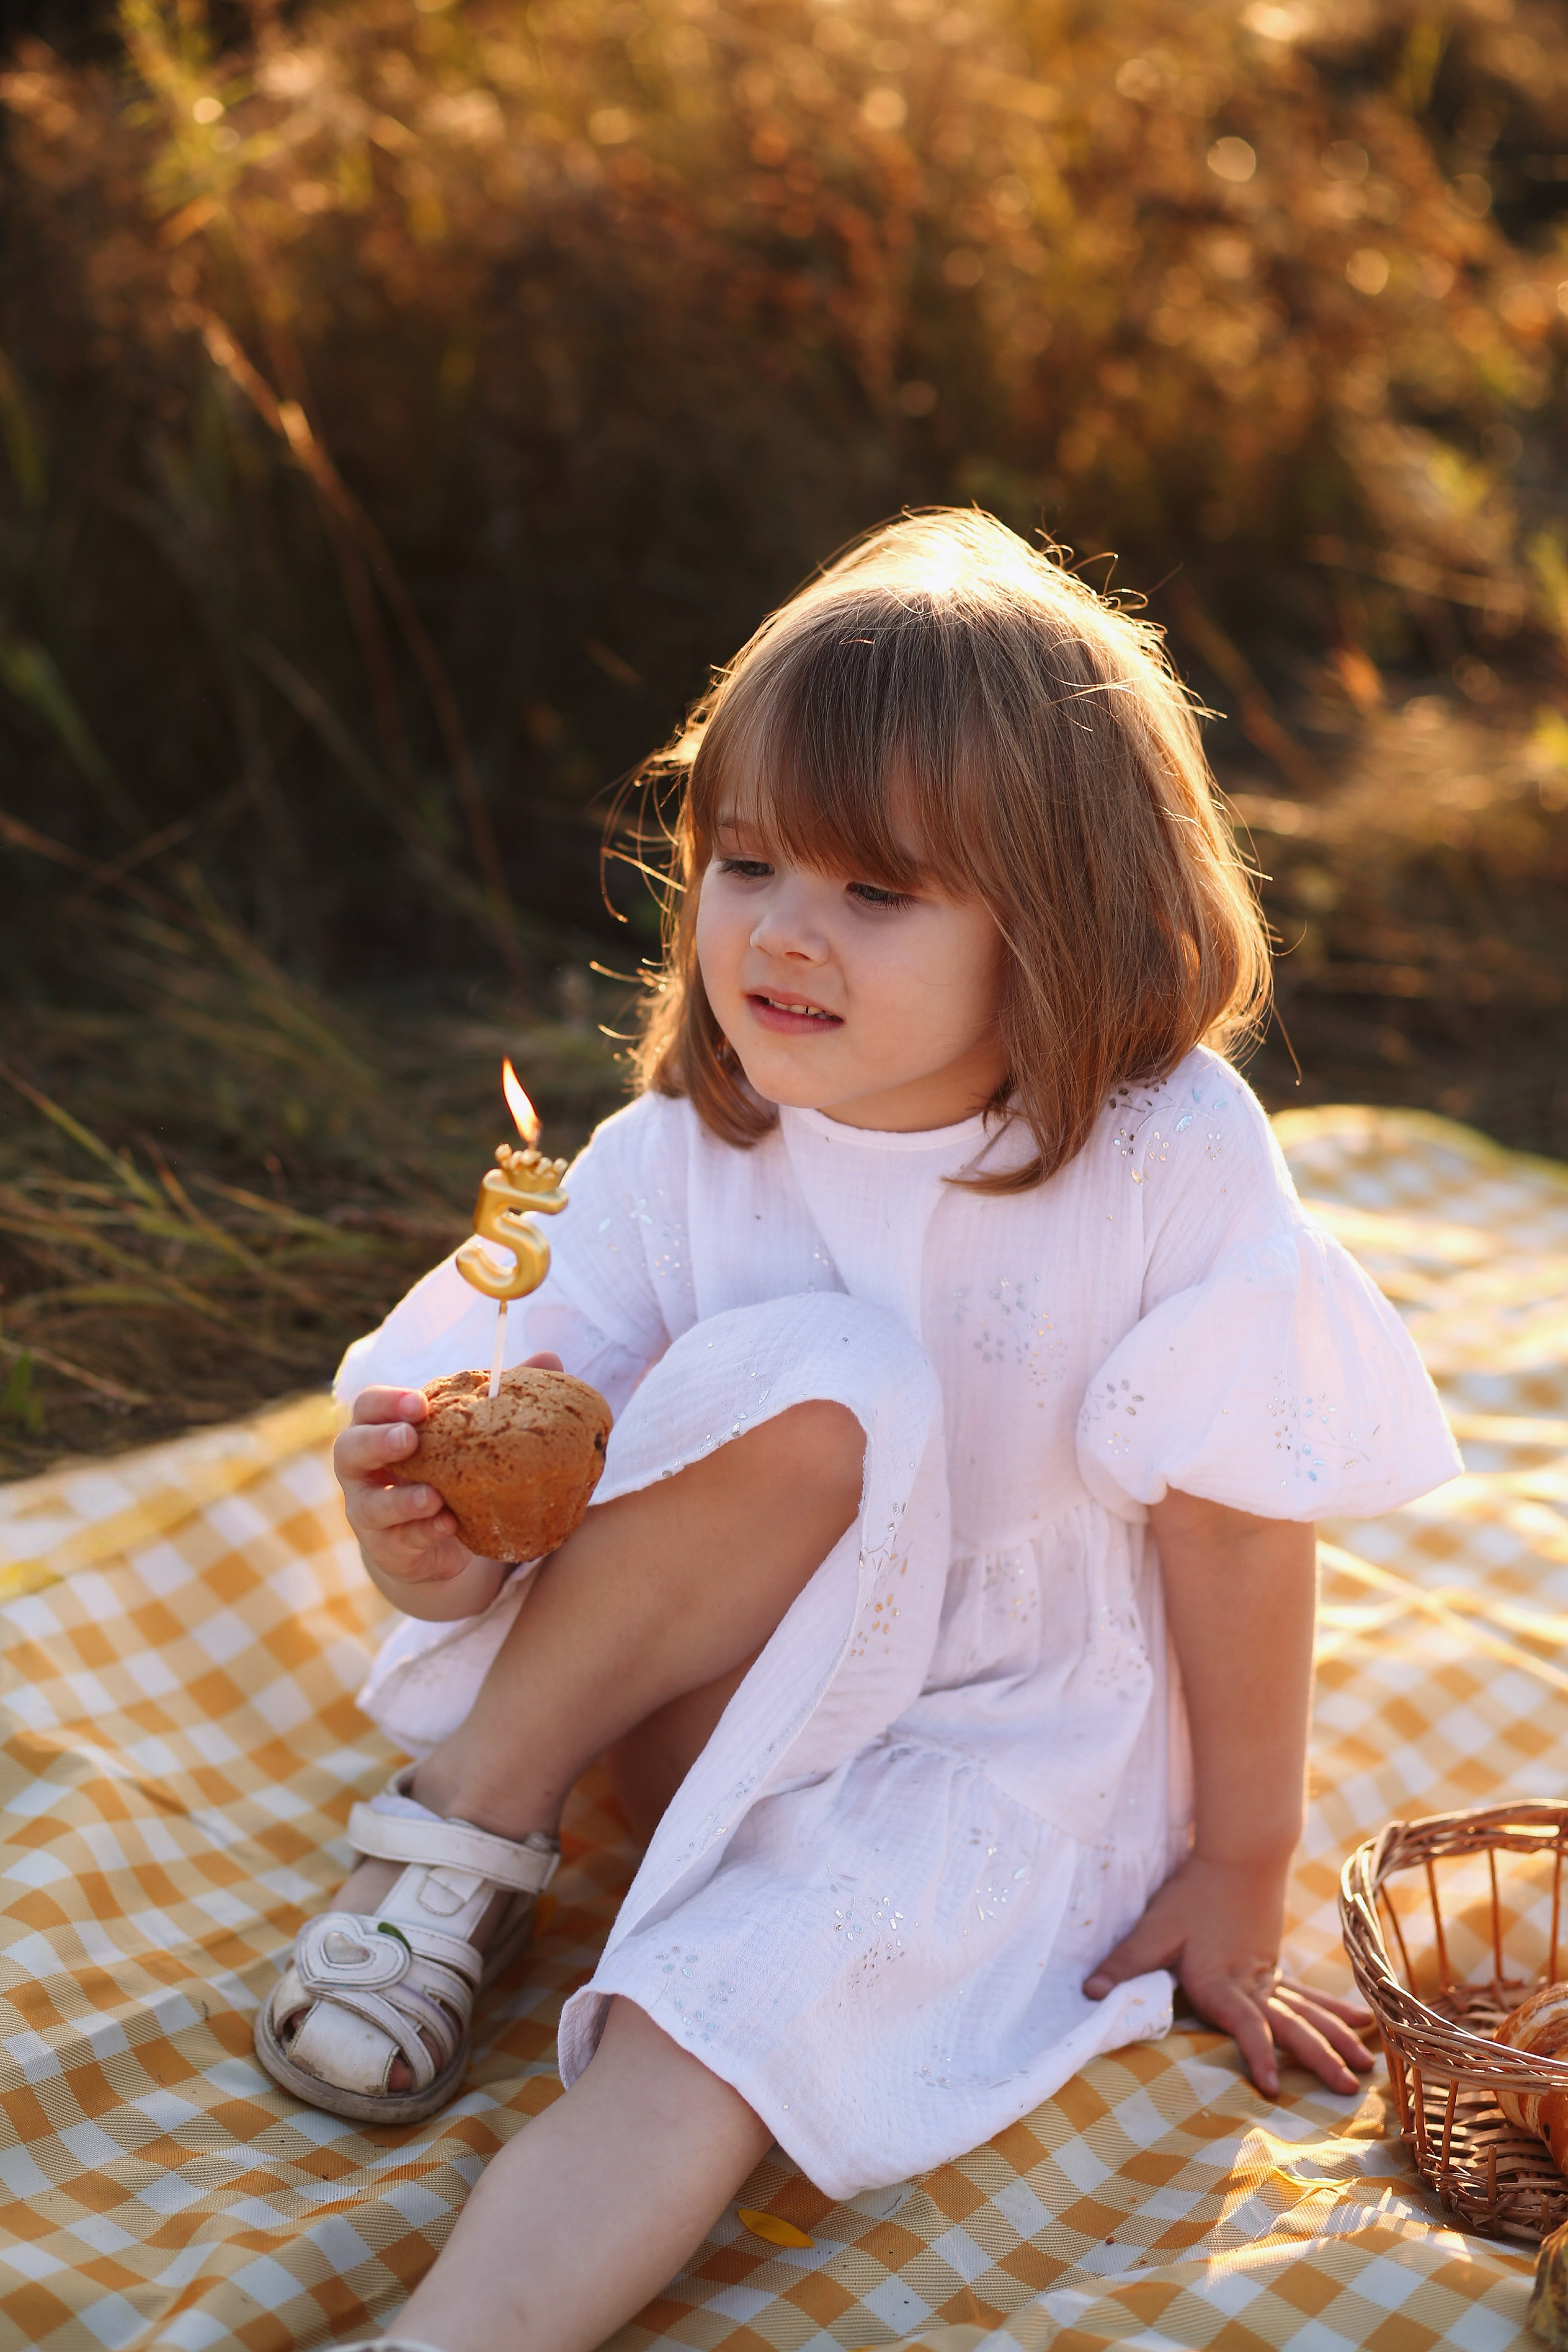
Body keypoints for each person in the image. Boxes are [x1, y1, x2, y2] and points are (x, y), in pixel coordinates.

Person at [257, 511, 1461, 2352]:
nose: (783, 932)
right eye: (745, 863)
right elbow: (529, 1474)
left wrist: (1239, 1863)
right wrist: (421, 1533)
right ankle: (460, 1833)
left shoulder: (1165, 1158)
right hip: (703, 1699)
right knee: (832, 1386)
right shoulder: (684, 1153)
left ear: (1058, 919)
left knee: (715, 2028)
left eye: (877, 892)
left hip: (992, 1747)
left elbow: (1232, 1524)